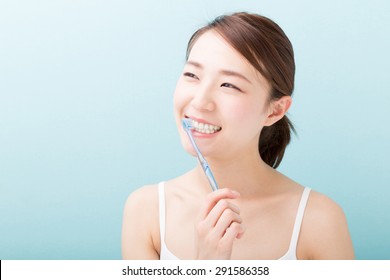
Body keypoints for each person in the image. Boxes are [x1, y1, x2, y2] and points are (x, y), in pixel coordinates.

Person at [121, 12, 354, 260]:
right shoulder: (146, 211)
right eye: (192, 75)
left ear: (275, 110)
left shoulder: (318, 221)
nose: (200, 102)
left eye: (229, 85)